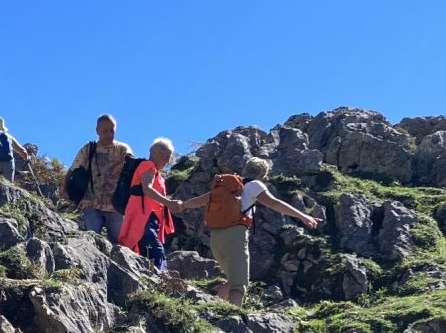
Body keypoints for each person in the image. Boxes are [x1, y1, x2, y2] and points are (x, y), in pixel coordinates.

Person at [180, 155, 318, 305]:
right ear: (263, 174)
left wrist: (182, 205)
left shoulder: (226, 187)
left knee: (233, 278)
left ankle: (214, 307)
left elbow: (200, 200)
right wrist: (303, 216)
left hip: (216, 238)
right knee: (240, 282)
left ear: (245, 168)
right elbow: (274, 203)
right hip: (235, 234)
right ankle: (234, 318)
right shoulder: (254, 185)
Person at [116, 138, 186, 272]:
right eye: (165, 154)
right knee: (156, 250)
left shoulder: (157, 174)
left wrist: (170, 203)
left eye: (169, 156)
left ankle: (153, 279)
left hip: (149, 218)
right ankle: (161, 279)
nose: (167, 159)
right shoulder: (148, 166)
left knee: (147, 251)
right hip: (142, 216)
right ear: (154, 152)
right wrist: (169, 203)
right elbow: (146, 189)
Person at [63, 113, 133, 239]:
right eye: (105, 131)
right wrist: (64, 189)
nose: (109, 134)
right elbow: (73, 169)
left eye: (112, 130)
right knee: (93, 239)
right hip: (91, 204)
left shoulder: (122, 149)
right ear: (97, 131)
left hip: (116, 205)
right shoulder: (88, 149)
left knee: (120, 243)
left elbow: (132, 165)